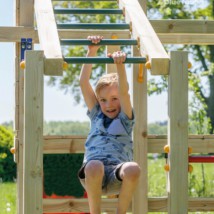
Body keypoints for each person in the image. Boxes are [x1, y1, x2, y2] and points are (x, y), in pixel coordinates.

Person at [78, 35, 141, 214]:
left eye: (114, 99)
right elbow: (83, 83)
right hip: (92, 176)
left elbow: (125, 92)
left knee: (133, 168)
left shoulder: (125, 119)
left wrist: (120, 67)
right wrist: (91, 52)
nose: (109, 104)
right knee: (94, 165)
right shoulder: (96, 113)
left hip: (117, 175)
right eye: (103, 100)